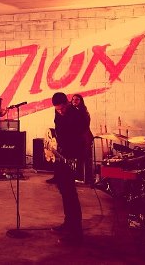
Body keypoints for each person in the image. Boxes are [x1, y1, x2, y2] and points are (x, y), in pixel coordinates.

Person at [50, 92, 85, 244]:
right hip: (62, 156)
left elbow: (78, 139)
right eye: (57, 110)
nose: (60, 112)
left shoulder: (77, 115)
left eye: (62, 109)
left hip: (73, 156)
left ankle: (76, 233)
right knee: (63, 190)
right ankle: (68, 222)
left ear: (67, 103)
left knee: (71, 194)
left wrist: (72, 158)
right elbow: (59, 132)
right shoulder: (58, 112)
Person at [71, 94, 94, 184]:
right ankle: (79, 176)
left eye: (77, 99)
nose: (74, 101)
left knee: (84, 157)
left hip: (84, 137)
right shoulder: (72, 111)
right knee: (79, 157)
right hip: (78, 137)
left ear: (81, 101)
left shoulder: (83, 111)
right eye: (73, 99)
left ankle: (84, 177)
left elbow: (84, 126)